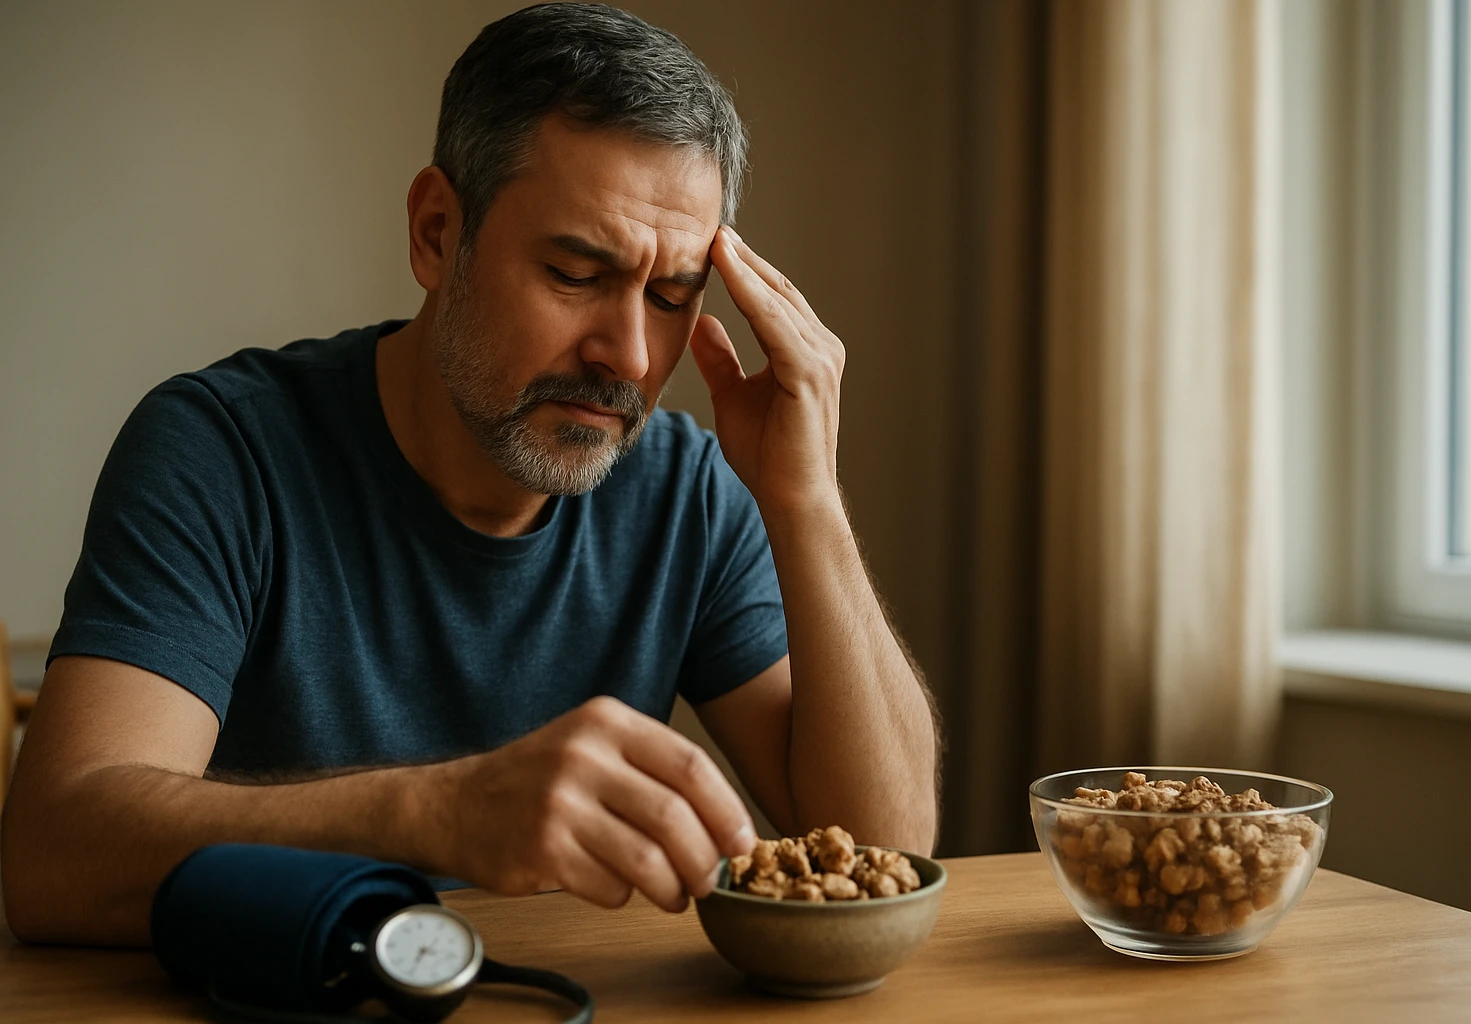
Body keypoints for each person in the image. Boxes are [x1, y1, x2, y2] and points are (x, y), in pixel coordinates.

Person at [0, 2, 939, 946]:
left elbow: (886, 848)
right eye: (574, 273)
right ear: (437, 232)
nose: (626, 355)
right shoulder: (220, 453)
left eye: (669, 297)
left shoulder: (688, 492)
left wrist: (806, 496)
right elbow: (52, 857)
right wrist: (438, 814)